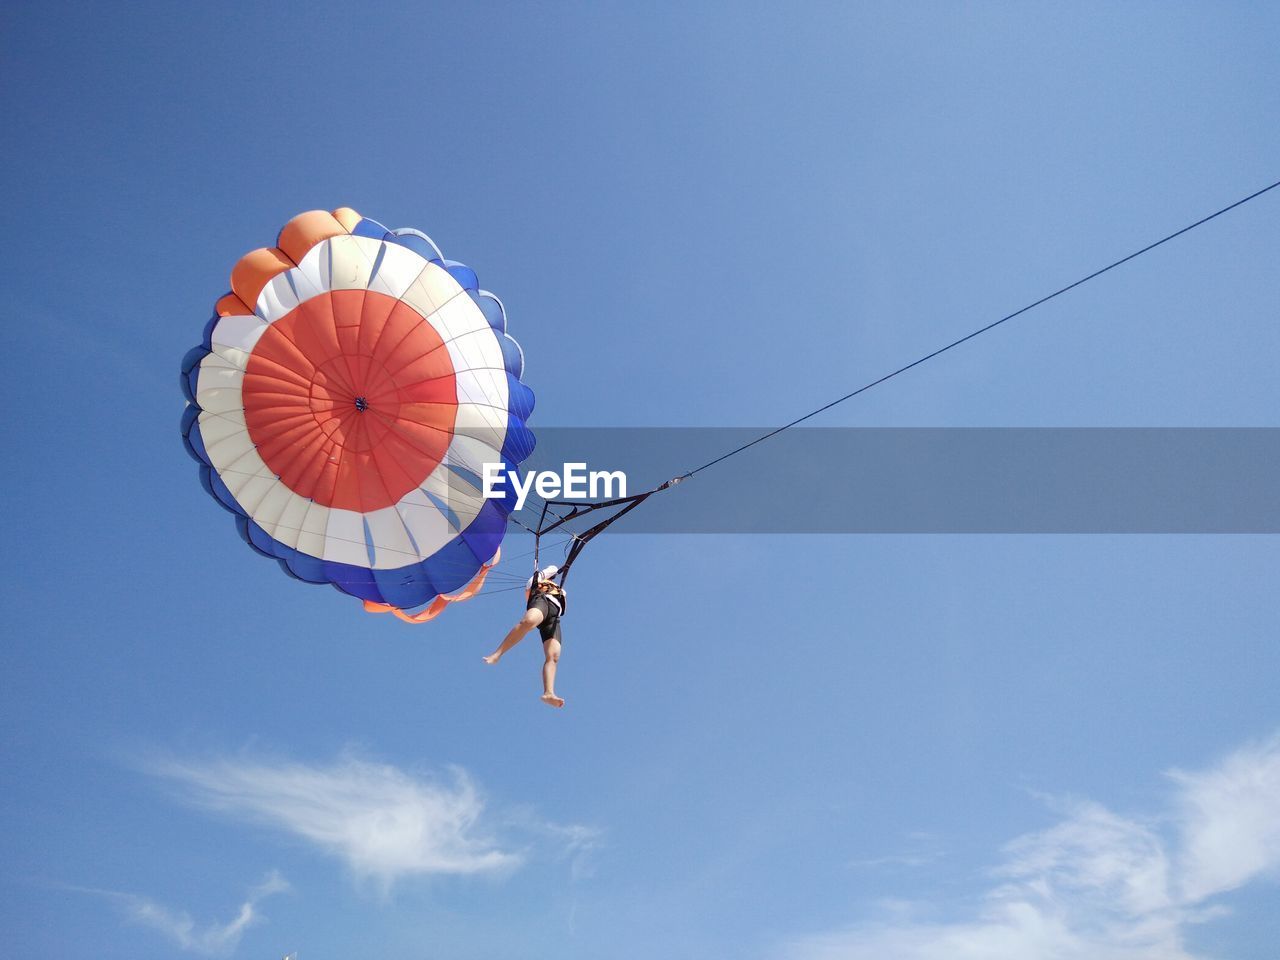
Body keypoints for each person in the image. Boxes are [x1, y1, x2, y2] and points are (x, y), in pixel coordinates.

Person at [482, 565, 568, 708]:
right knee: (529, 621)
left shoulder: (561, 590)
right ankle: (497, 654)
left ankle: (548, 693)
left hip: (554, 617)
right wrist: (554, 570)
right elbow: (542, 576)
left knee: (554, 656)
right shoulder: (535, 581)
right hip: (542, 601)